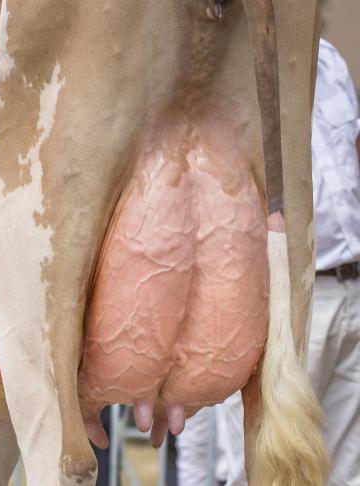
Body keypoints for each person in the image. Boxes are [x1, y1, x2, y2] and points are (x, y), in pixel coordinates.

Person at [176, 38, 360, 486]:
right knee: (262, 465)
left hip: (351, 286)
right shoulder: (228, 58)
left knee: (347, 470)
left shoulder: (328, 57)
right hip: (283, 296)